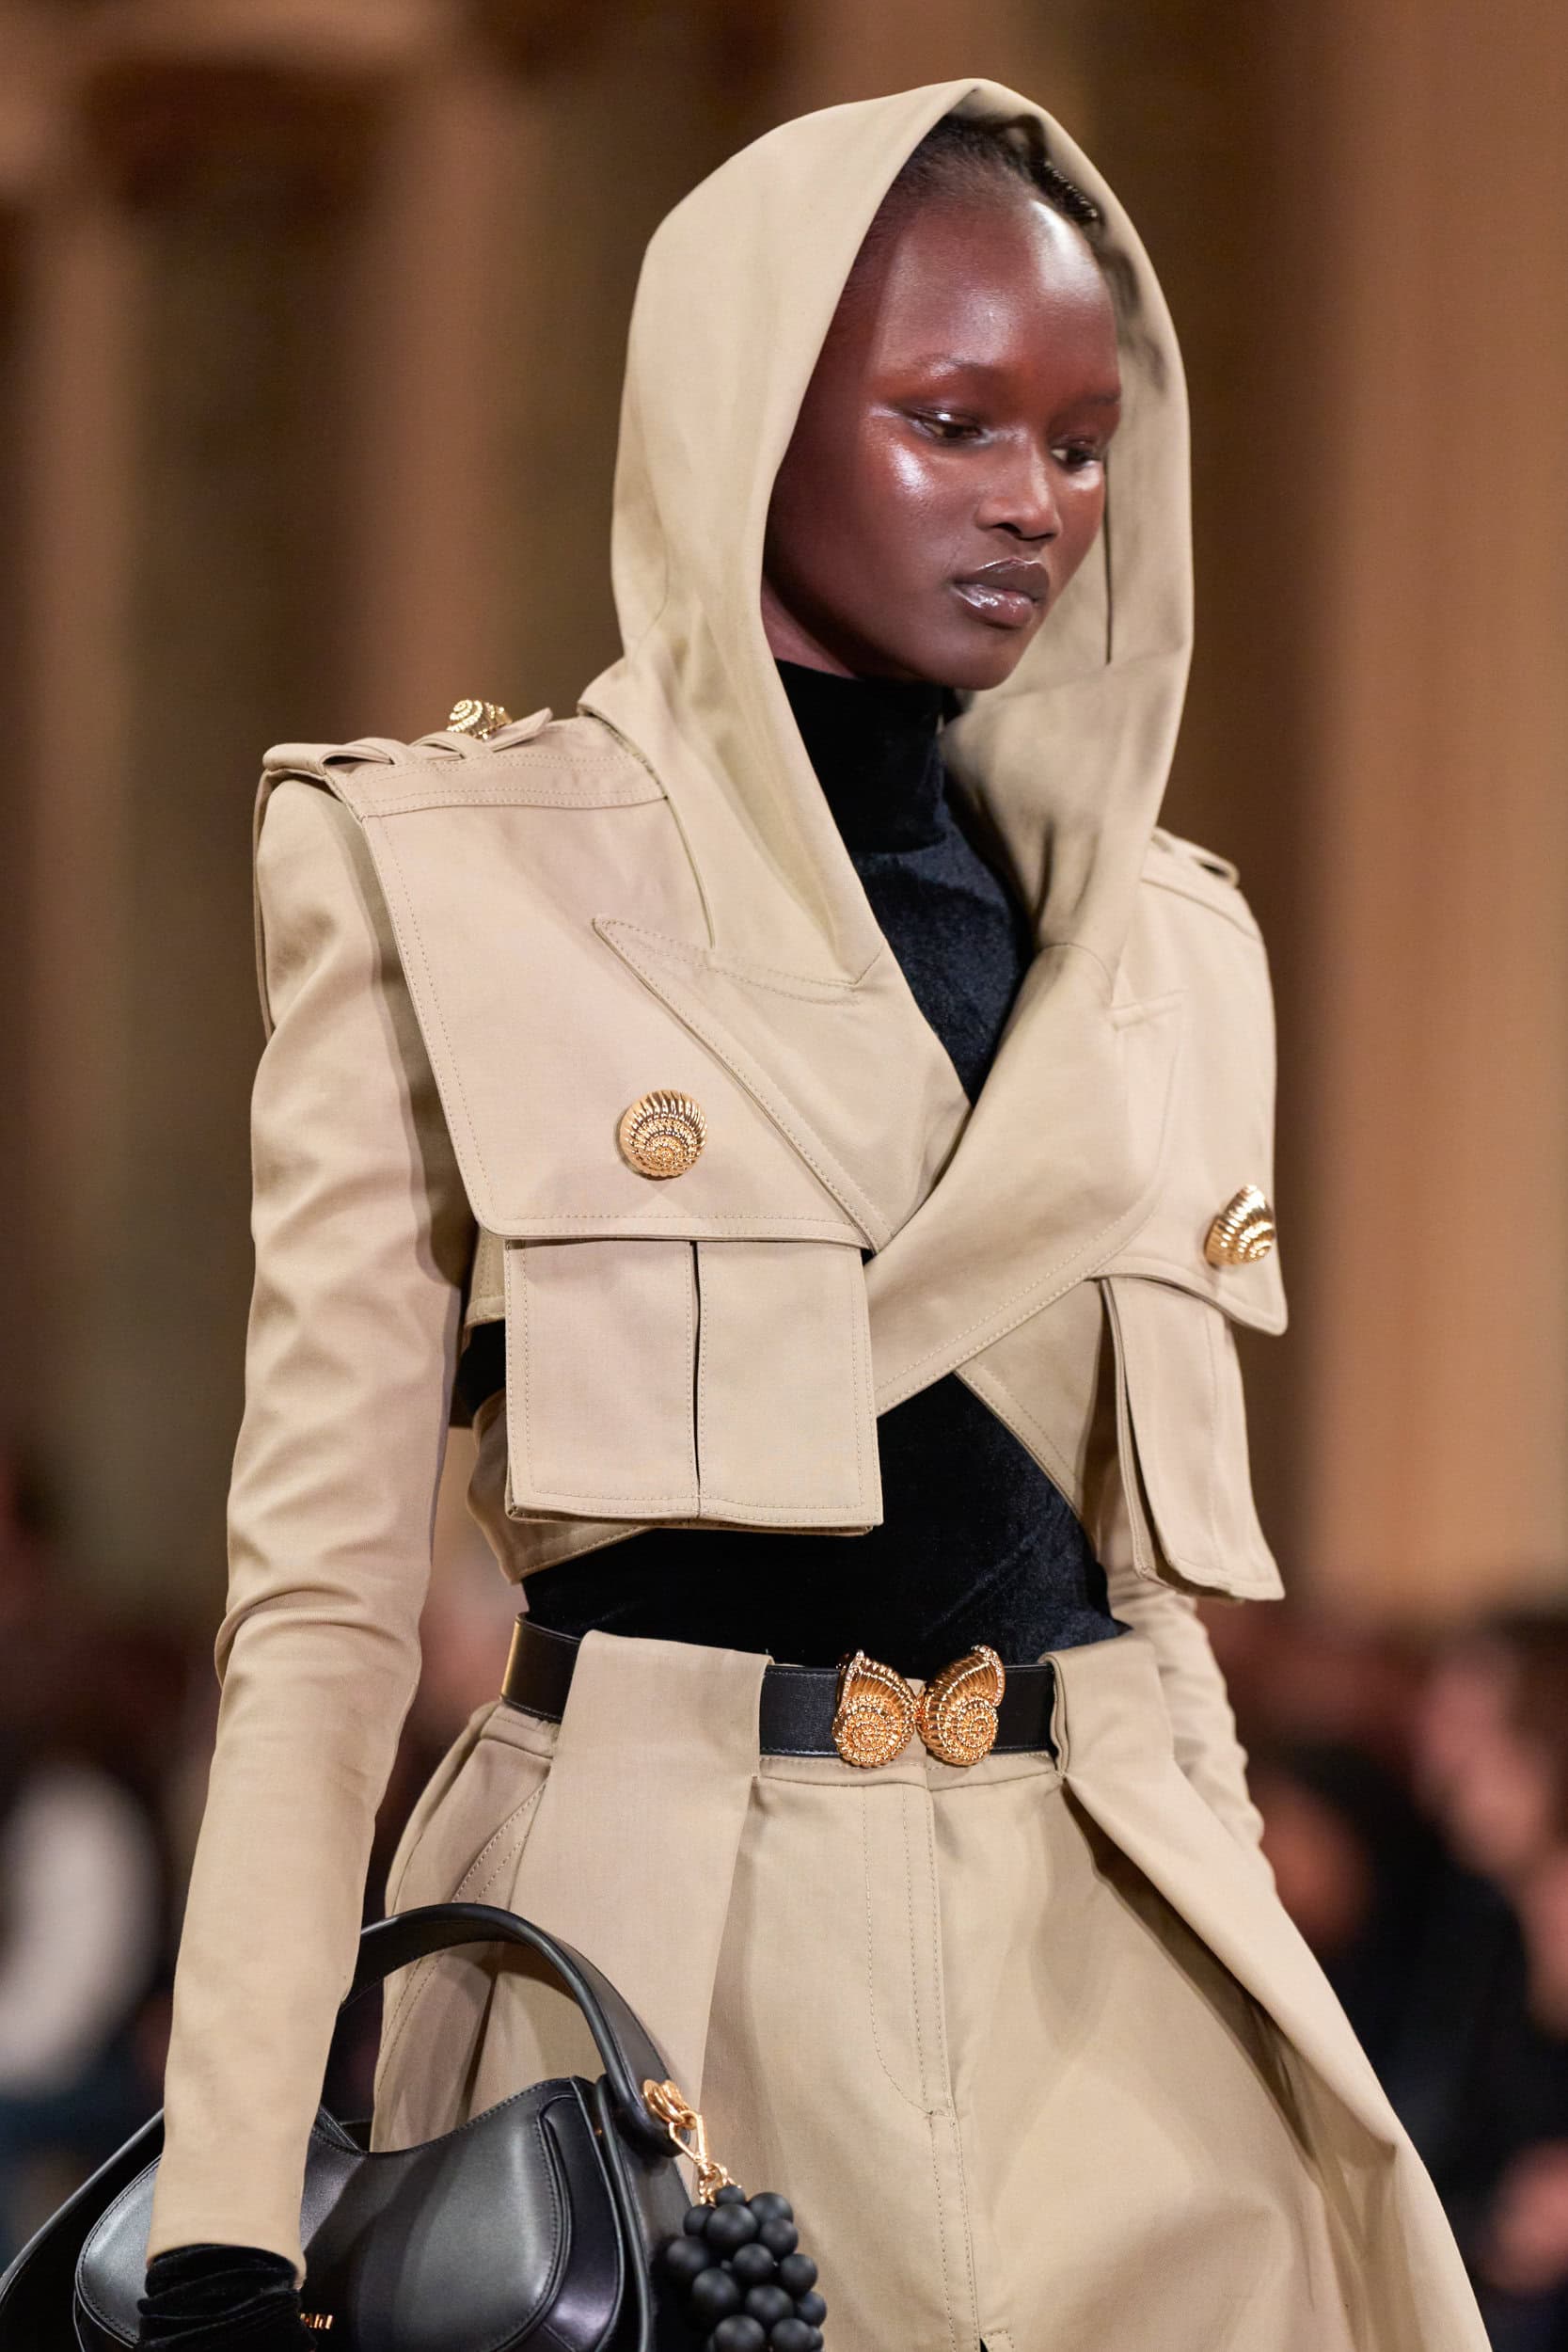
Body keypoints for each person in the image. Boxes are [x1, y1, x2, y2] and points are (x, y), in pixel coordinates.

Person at [135, 79, 1490, 2352]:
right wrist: (230, 2204)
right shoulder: (444, 879)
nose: (1033, 500)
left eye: (1081, 442)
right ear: (744, 414)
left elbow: (1150, 1597)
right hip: (648, 1989)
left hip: (1129, 2004)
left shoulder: (1171, 945)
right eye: (951, 418)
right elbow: (324, 1611)